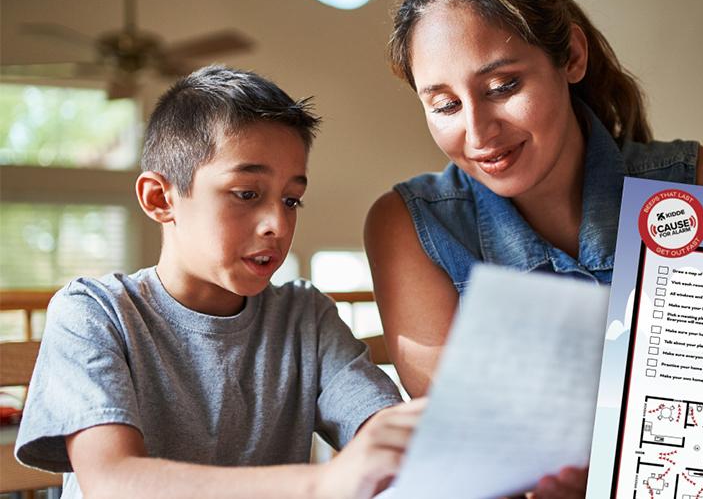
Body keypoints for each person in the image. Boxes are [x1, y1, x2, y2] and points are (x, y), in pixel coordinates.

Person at [364, 0, 703, 496]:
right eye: (446, 105)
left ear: (571, 56)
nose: (479, 134)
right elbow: (474, 453)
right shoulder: (409, 227)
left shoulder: (700, 184)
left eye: (502, 87)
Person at [15, 65, 423, 499]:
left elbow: (381, 427)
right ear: (160, 199)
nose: (278, 224)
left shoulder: (305, 316)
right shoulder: (93, 312)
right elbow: (113, 482)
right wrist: (321, 483)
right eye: (247, 193)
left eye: (291, 199)